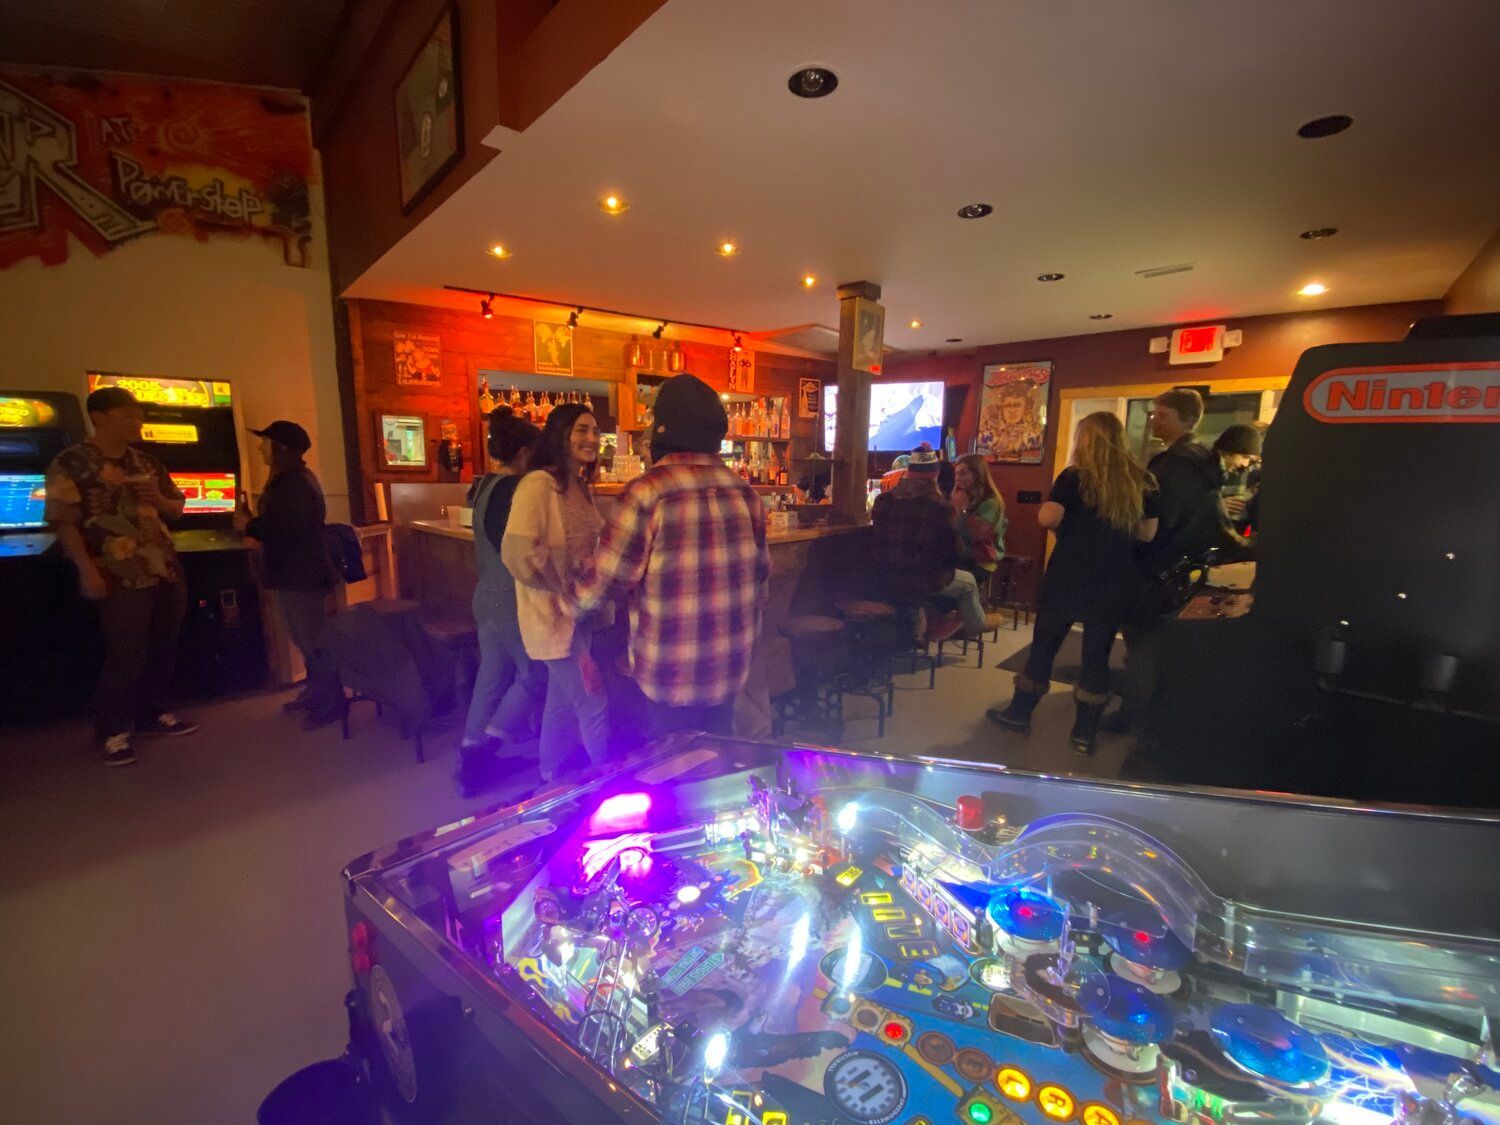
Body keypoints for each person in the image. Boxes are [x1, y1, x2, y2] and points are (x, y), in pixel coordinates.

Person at [573, 373, 771, 737]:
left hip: (669, 674)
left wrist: (564, 604)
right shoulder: (746, 494)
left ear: (663, 431)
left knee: (671, 771)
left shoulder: (648, 492)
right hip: (730, 667)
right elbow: (761, 581)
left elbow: (602, 586)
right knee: (715, 766)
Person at [45, 386, 199, 766]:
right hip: (115, 571)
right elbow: (64, 523)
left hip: (162, 566)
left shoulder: (145, 462)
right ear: (98, 417)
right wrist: (86, 569)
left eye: (138, 415)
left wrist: (158, 500)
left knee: (164, 642)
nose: (137, 421)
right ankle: (112, 729)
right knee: (126, 650)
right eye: (127, 414)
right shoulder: (72, 463)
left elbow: (177, 508)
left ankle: (152, 712)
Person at [987, 412, 1158, 754]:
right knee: (1097, 653)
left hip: (1069, 574)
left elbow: (1047, 516)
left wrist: (1068, 526)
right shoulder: (1142, 480)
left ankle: (1019, 714)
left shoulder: (1074, 477)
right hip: (1114, 577)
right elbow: (1147, 533)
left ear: (1085, 441)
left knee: (1046, 644)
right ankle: (1084, 733)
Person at [1107, 399, 1261, 746]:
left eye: (1164, 415)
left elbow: (1158, 524)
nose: (1154, 421)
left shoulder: (1178, 464)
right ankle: (1145, 724)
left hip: (1156, 572)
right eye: (1154, 414)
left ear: (1187, 419)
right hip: (1179, 575)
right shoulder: (1197, 467)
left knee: (1145, 649)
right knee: (1155, 650)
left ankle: (1135, 724)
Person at [502, 402, 608, 783]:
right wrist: (560, 588)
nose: (592, 438)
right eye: (582, 429)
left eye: (595, 431)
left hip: (580, 613)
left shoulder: (577, 486)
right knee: (593, 700)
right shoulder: (537, 485)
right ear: (561, 434)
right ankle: (606, 785)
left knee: (560, 704)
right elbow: (517, 554)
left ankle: (550, 778)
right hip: (553, 617)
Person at [456, 407, 543, 794]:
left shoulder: (485, 486)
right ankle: (487, 747)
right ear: (525, 453)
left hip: (485, 594)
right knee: (534, 674)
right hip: (509, 599)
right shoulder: (516, 491)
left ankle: (470, 748)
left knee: (490, 678)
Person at [234, 420, 342, 728]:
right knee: (304, 639)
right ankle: (317, 691)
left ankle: (331, 701)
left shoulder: (294, 482)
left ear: (280, 448)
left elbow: (285, 528)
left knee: (314, 641)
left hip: (301, 574)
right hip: (293, 572)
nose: (260, 448)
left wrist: (249, 526)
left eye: (265, 443)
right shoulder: (291, 479)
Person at [871, 443, 1004, 640]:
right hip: (924, 579)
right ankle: (976, 624)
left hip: (885, 574)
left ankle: (940, 621)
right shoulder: (941, 507)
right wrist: (957, 511)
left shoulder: (882, 500)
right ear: (934, 475)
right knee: (967, 583)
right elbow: (953, 554)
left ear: (908, 472)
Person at [951, 453, 1007, 580]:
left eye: (963, 473)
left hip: (980, 562)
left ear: (977, 474)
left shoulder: (991, 502)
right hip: (963, 557)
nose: (958, 478)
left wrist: (961, 510)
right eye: (957, 474)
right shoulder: (963, 496)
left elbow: (970, 536)